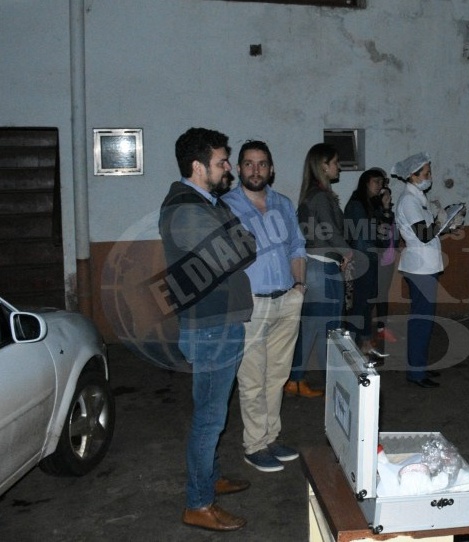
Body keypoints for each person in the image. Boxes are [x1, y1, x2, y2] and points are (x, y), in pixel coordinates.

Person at [159, 127, 257, 531]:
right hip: (210, 326)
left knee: (214, 412)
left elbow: (247, 245)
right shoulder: (184, 209)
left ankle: (210, 477)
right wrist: (237, 239)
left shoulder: (207, 202)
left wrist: (237, 238)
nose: (228, 168)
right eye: (221, 162)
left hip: (223, 322)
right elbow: (239, 251)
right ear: (198, 167)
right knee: (209, 418)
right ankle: (198, 503)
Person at [222, 140, 307, 473]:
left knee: (277, 376)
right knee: (252, 378)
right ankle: (254, 444)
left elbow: (297, 247)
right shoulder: (225, 206)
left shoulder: (282, 204)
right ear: (239, 169)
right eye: (248, 163)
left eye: (261, 164)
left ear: (271, 169)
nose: (255, 170)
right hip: (251, 305)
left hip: (287, 300)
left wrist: (300, 287)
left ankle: (271, 437)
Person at [391, 152, 464, 388]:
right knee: (421, 320)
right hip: (420, 266)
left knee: (424, 318)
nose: (429, 176)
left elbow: (427, 232)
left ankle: (419, 366)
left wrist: (446, 224)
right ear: (413, 175)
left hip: (425, 264)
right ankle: (416, 372)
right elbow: (423, 235)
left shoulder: (418, 198)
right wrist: (441, 220)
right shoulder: (409, 201)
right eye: (426, 173)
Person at [289, 143, 351, 397]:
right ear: (323, 165)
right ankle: (331, 382)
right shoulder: (320, 197)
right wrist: (347, 253)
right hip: (322, 267)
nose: (339, 167)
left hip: (314, 266)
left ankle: (295, 379)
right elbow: (330, 231)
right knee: (328, 329)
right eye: (336, 162)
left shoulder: (312, 195)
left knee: (312, 328)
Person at [343, 168, 392, 359]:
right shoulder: (357, 205)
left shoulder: (373, 205)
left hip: (371, 258)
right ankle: (352, 346)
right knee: (360, 303)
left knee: (367, 302)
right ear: (366, 182)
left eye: (382, 183)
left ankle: (363, 343)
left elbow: (384, 232)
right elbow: (363, 237)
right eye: (376, 181)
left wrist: (386, 208)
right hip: (362, 259)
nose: (379, 186)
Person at [372, 177, 399, 345]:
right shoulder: (376, 216)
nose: (388, 198)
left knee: (383, 295)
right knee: (374, 295)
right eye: (385, 196)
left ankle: (382, 328)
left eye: (389, 195)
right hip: (377, 261)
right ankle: (371, 331)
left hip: (389, 260)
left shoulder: (391, 214)